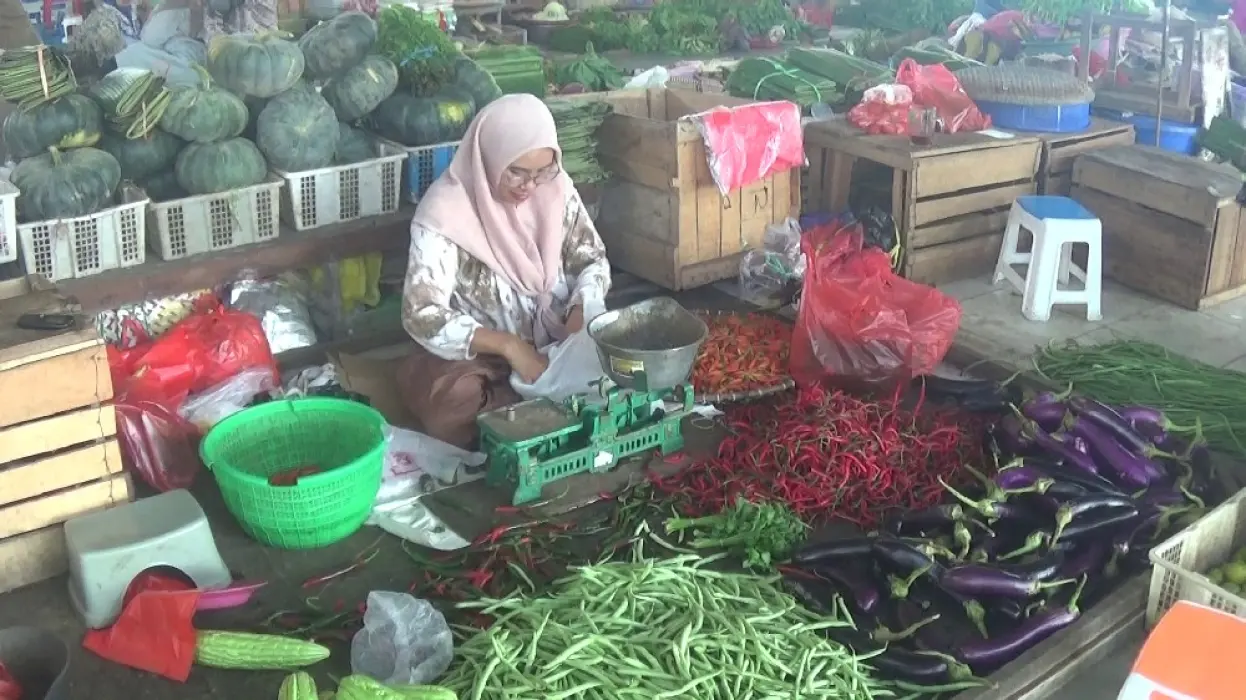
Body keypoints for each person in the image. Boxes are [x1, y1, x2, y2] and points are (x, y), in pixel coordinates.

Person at [398, 94, 612, 449]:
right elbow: (421, 312)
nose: (529, 186)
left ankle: (536, 412)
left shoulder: (555, 191)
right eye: (516, 172)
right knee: (452, 400)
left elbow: (591, 259)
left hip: (557, 341)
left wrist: (581, 305)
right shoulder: (445, 214)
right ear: (488, 160)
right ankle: (542, 411)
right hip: (487, 359)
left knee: (623, 357)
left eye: (541, 172)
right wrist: (509, 346)